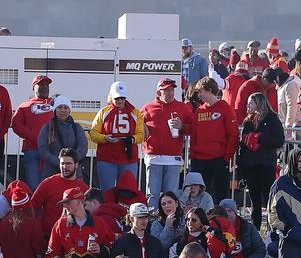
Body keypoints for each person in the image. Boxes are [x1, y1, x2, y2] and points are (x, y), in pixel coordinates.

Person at [141, 78, 193, 208]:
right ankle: (152, 222)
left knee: (171, 196)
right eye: (166, 90)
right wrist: (141, 126)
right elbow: (137, 126)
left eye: (172, 90)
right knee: (152, 195)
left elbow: (193, 127)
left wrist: (182, 126)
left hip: (173, 159)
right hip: (153, 158)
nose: (170, 93)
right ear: (159, 92)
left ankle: (170, 223)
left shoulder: (182, 107)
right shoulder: (147, 108)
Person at [237, 92, 286, 231]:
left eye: (250, 103)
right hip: (250, 166)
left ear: (258, 104)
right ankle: (256, 230)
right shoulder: (248, 122)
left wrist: (259, 137)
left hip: (266, 165)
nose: (247, 106)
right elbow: (243, 147)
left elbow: (279, 140)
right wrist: (241, 170)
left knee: (269, 199)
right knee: (254, 201)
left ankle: (272, 230)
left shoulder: (272, 119)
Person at [89, 81, 144, 191]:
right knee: (107, 192)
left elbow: (141, 135)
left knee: (127, 191)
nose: (119, 101)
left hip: (128, 160)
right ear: (111, 97)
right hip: (107, 158)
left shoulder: (135, 113)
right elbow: (93, 133)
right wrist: (105, 138)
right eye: (117, 98)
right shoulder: (103, 112)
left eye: (122, 98)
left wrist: (132, 139)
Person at [190, 77, 238, 201]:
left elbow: (232, 135)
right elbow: (194, 134)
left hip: (219, 159)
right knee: (200, 196)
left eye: (201, 91)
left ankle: (220, 219)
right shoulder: (199, 111)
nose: (199, 95)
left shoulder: (226, 108)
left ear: (210, 90)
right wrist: (193, 156)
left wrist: (227, 157)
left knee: (220, 194)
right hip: (200, 160)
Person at [12, 74, 55, 189]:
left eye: (47, 85)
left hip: (52, 151)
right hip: (32, 151)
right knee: (34, 187)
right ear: (33, 87)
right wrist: (35, 137)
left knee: (50, 187)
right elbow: (16, 125)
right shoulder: (24, 105)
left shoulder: (56, 104)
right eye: (41, 84)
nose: (45, 87)